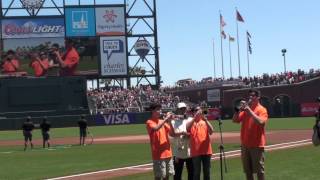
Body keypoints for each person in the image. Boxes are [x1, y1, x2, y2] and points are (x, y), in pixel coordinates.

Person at [232, 89, 268, 180]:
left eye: (253, 95)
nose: (251, 97)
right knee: (248, 172)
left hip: (257, 144)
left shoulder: (262, 109)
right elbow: (235, 120)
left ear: (258, 97)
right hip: (245, 145)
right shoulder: (245, 109)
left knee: (259, 171)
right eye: (250, 96)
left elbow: (261, 122)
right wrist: (237, 110)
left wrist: (250, 112)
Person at [146, 103, 175, 180]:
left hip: (168, 152)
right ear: (152, 111)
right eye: (158, 109)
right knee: (158, 176)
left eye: (160, 109)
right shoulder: (149, 122)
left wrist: (170, 121)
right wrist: (166, 119)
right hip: (158, 154)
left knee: (167, 176)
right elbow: (156, 128)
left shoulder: (163, 121)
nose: (160, 111)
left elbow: (172, 134)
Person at [186, 106, 214, 180]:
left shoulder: (204, 121)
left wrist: (206, 120)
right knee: (196, 173)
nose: (198, 111)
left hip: (206, 151)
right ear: (193, 112)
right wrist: (194, 118)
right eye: (196, 110)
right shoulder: (191, 122)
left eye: (199, 110)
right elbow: (187, 128)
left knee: (207, 172)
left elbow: (211, 131)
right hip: (196, 151)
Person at [170, 102, 193, 180]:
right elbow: (172, 134)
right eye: (181, 109)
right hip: (178, 152)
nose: (183, 110)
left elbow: (194, 132)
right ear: (177, 110)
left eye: (184, 108)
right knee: (177, 174)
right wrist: (182, 133)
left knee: (191, 173)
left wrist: (189, 135)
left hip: (190, 151)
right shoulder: (173, 122)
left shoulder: (190, 119)